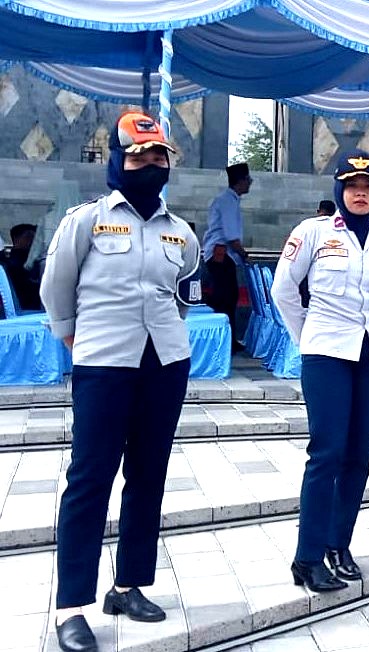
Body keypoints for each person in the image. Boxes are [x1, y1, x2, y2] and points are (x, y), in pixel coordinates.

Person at [40, 111, 199, 652]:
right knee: (90, 480)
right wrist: (75, 341)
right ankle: (71, 607)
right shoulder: (86, 220)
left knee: (148, 475)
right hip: (104, 365)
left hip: (165, 364)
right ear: (117, 160)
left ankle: (128, 585)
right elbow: (56, 288)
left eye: (158, 157)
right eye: (139, 156)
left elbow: (183, 291)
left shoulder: (181, 232)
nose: (150, 164)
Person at [270, 149, 369, 592]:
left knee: (359, 455)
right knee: (326, 452)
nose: (360, 194)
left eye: (368, 187)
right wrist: (308, 336)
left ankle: (338, 544)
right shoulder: (312, 232)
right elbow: (283, 290)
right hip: (327, 351)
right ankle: (307, 557)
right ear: (339, 189)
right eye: (352, 186)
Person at [203, 162, 252, 352]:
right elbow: (231, 236)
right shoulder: (228, 201)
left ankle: (228, 339)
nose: (250, 183)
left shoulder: (230, 200)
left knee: (228, 297)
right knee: (225, 298)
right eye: (248, 179)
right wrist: (243, 254)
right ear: (241, 181)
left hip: (223, 254)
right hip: (221, 255)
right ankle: (224, 341)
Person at [0, 222, 41, 309]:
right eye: (28, 237)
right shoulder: (13, 264)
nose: (32, 241)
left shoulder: (36, 258)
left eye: (35, 238)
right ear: (16, 238)